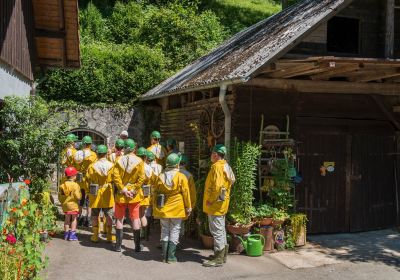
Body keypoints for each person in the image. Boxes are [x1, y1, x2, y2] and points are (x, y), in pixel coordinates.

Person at [152, 153, 192, 263]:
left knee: (164, 230)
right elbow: (186, 193)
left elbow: (155, 192)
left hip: (163, 207)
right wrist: (188, 206)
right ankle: (171, 257)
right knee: (175, 230)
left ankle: (164, 256)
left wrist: (154, 206)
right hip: (177, 207)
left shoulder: (160, 176)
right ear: (177, 164)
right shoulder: (181, 176)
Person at [202, 144, 235, 267]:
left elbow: (217, 186)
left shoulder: (217, 167)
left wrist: (211, 200)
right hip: (222, 202)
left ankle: (219, 258)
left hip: (215, 204)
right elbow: (232, 181)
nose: (211, 156)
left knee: (216, 230)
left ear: (216, 154)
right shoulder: (226, 165)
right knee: (220, 229)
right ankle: (221, 255)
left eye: (212, 154)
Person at [113, 139, 145, 252]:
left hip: (121, 194)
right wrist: (134, 190)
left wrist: (123, 189)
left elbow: (116, 177)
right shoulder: (139, 161)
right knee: (135, 219)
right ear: (134, 148)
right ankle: (137, 246)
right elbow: (142, 178)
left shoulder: (118, 160)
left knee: (119, 219)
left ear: (124, 148)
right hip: (134, 195)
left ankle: (118, 246)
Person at [85, 145, 115, 243]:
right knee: (109, 214)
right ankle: (109, 236)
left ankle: (95, 235)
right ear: (106, 153)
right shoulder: (112, 165)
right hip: (107, 192)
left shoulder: (92, 166)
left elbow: (87, 180)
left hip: (95, 191)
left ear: (97, 154)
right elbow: (116, 179)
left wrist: (87, 191)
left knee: (94, 214)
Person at [74, 135, 98, 227]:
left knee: (80, 198)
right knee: (89, 199)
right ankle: (88, 219)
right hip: (89, 179)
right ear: (90, 144)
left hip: (80, 178)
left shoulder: (77, 153)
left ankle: (79, 217)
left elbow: (75, 164)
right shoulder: (94, 155)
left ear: (83, 144)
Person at [58, 166, 82, 241]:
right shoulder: (75, 185)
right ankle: (72, 235)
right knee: (74, 219)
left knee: (67, 220)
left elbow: (60, 197)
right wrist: (80, 196)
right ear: (74, 176)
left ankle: (66, 234)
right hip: (73, 205)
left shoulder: (62, 185)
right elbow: (78, 197)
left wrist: (62, 202)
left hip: (65, 205)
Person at [136, 147, 153, 241]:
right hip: (146, 191)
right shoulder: (149, 168)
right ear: (146, 156)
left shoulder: (137, 167)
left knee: (137, 215)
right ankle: (145, 235)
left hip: (138, 192)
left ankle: (138, 234)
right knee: (143, 214)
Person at [179, 154, 196, 238]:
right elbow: (192, 193)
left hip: (169, 204)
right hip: (183, 203)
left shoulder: (168, 173)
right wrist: (191, 205)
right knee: (180, 223)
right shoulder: (189, 175)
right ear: (186, 164)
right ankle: (177, 241)